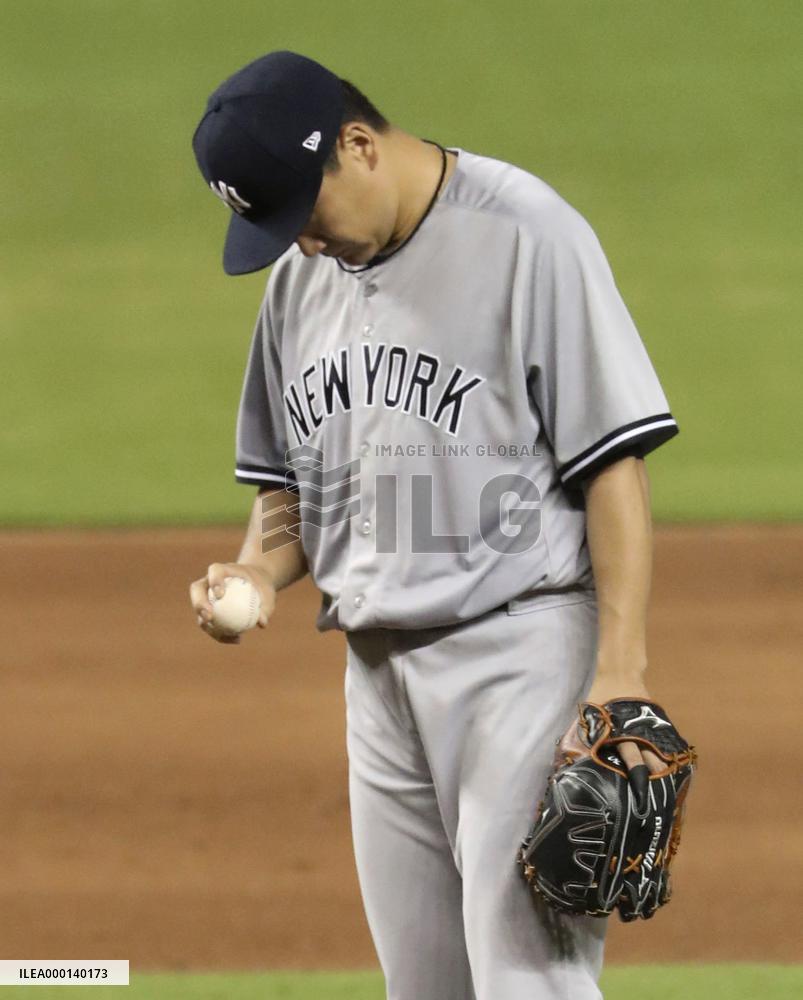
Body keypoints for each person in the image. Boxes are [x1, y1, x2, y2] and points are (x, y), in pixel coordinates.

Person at [188, 49, 679, 1000]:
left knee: (528, 982)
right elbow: (296, 485)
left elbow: (610, 465)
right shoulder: (301, 282)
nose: (303, 247)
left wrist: (619, 671)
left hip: (520, 659)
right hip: (376, 679)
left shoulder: (527, 233)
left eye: (304, 216)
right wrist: (254, 574)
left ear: (359, 146)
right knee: (424, 989)